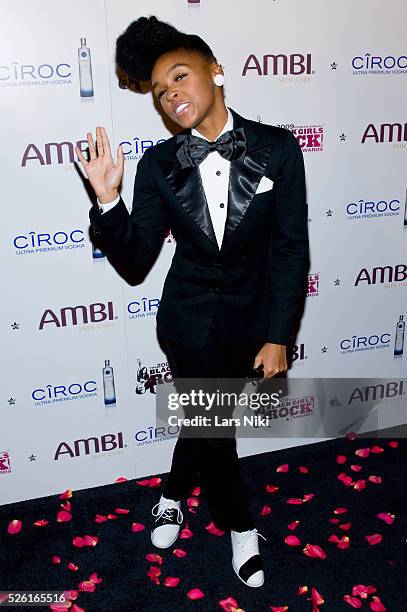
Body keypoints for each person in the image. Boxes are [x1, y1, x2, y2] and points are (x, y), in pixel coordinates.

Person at [75, 15, 309, 588]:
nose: (171, 94)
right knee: (215, 428)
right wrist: (109, 202)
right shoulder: (159, 165)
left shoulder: (278, 148)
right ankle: (241, 530)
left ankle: (173, 492)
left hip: (252, 323)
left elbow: (290, 249)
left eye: (180, 76)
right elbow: (134, 262)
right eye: (160, 91)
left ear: (217, 71)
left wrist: (280, 334)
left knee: (206, 419)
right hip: (187, 322)